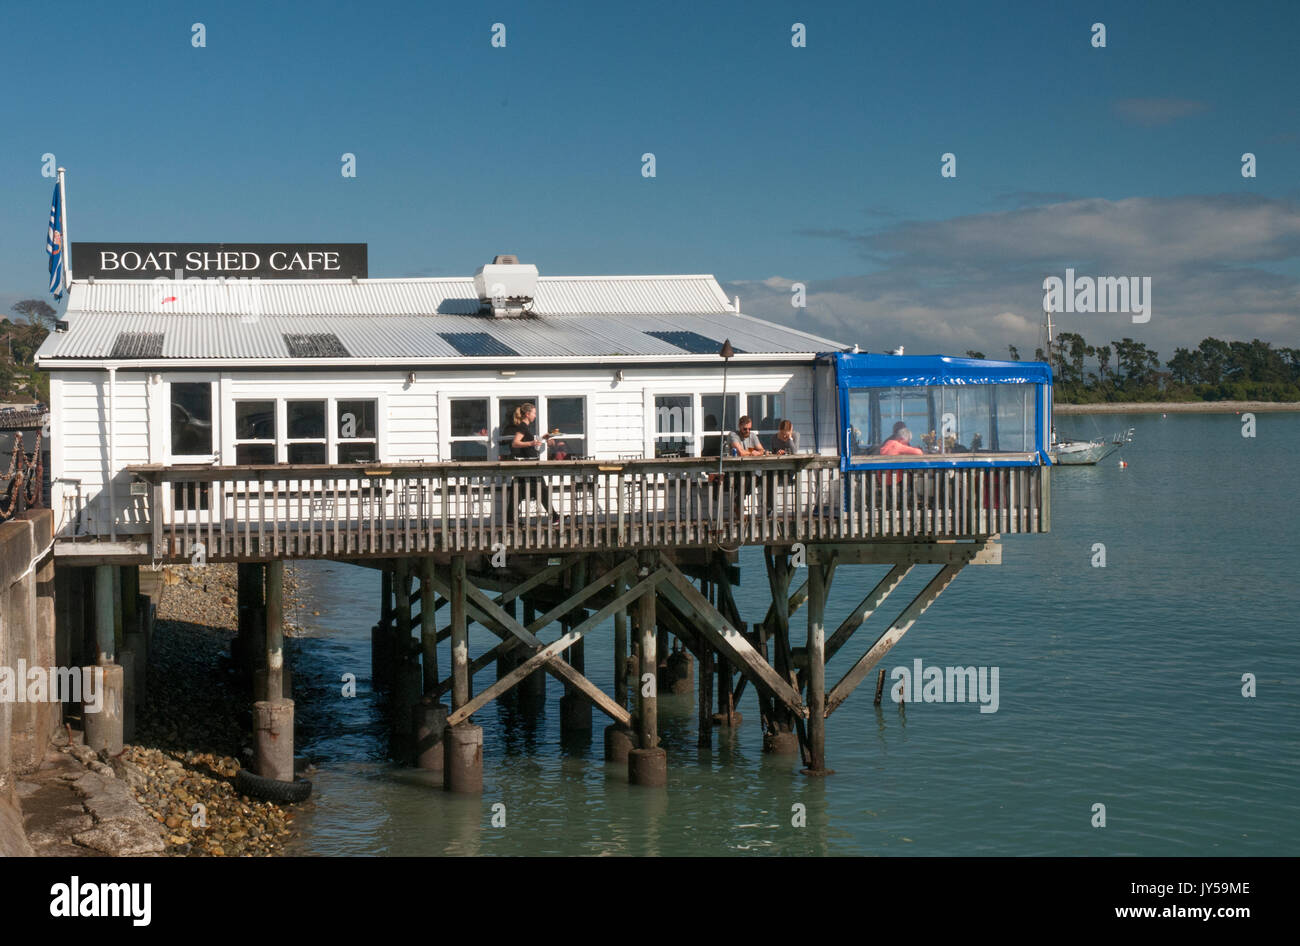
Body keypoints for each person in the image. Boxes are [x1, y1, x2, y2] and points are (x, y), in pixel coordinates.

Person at [503, 402, 560, 525]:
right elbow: (515, 443)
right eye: (534, 413)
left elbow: (527, 442)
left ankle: (510, 519)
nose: (535, 416)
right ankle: (555, 517)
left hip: (527, 465)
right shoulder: (522, 427)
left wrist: (542, 438)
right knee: (542, 490)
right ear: (527, 414)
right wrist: (532, 443)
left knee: (517, 492)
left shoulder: (525, 427)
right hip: (527, 465)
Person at [727, 415, 766, 516]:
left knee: (757, 477)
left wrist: (756, 452)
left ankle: (738, 502)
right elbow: (740, 452)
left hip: (750, 468)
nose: (748, 431)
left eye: (749, 429)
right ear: (739, 426)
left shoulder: (752, 436)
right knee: (746, 479)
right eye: (745, 429)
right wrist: (753, 452)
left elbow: (762, 450)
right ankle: (739, 505)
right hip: (734, 469)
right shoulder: (733, 435)